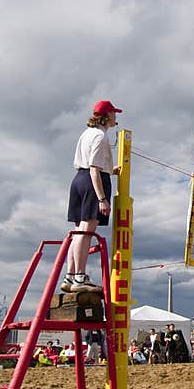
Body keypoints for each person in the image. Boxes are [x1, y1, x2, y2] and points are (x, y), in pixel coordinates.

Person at [61, 100, 122, 293]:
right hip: (91, 181)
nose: (116, 117)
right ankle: (79, 276)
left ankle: (70, 276)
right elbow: (94, 169)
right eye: (114, 113)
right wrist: (102, 199)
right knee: (86, 231)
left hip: (79, 179)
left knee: (79, 230)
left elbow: (91, 164)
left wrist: (110, 170)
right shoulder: (100, 136)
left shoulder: (86, 134)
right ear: (107, 116)